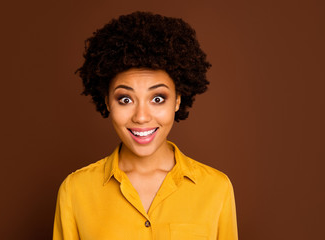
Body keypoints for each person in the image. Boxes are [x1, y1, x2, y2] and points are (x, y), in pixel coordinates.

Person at [53, 11, 238, 240]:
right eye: (125, 99)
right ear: (107, 101)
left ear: (178, 100)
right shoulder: (75, 191)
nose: (141, 117)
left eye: (158, 98)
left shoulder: (216, 189)